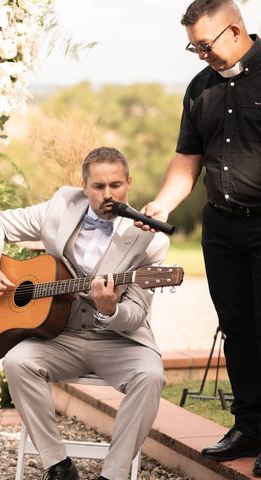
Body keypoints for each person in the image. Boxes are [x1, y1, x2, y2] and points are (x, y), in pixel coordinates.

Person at [0, 147, 169, 480]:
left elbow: (136, 314)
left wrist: (111, 309)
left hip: (118, 340)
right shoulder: (61, 207)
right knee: (17, 362)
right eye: (98, 186)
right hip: (60, 335)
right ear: (84, 186)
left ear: (129, 184)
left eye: (116, 185)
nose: (108, 194)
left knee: (150, 375)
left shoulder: (149, 239)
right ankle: (58, 465)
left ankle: (115, 473)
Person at [138, 0, 261, 475]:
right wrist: (163, 203)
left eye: (204, 45)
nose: (199, 54)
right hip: (222, 227)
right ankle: (250, 427)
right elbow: (188, 158)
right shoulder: (200, 88)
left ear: (235, 31)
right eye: (192, 47)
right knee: (239, 330)